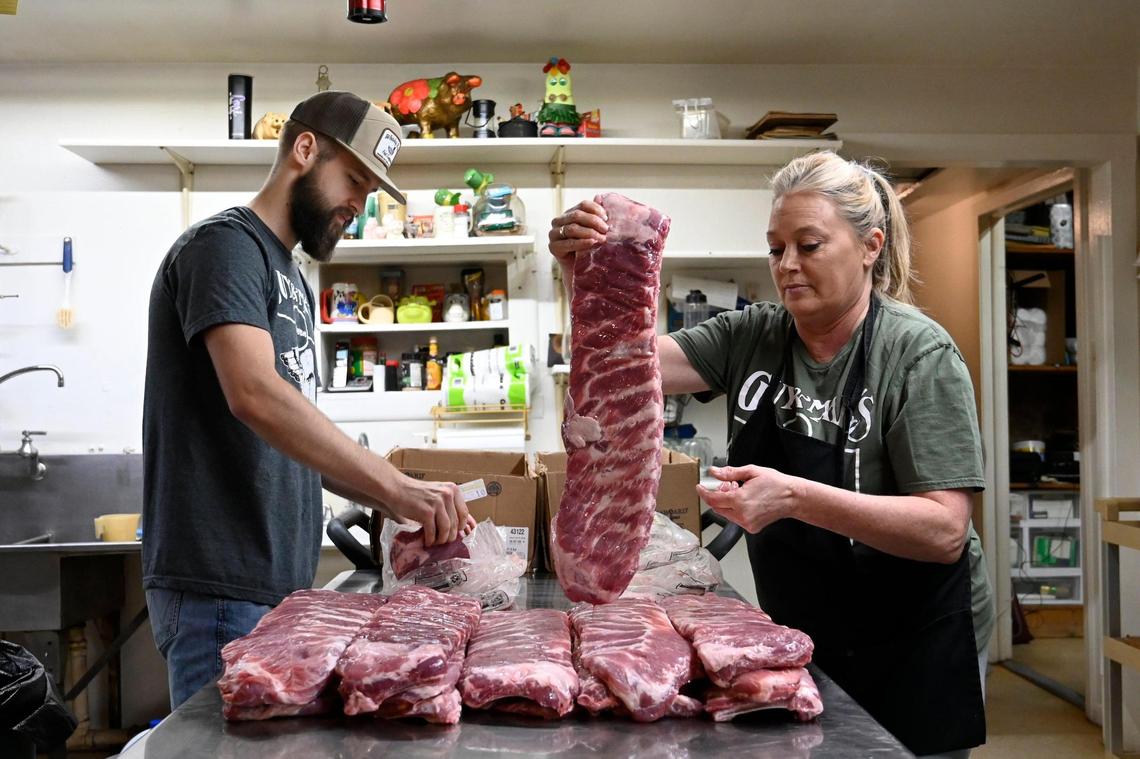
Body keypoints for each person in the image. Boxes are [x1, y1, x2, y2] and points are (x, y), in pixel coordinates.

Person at [549, 152, 994, 758]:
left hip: (910, 634)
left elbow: (944, 530)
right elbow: (623, 363)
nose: (787, 265)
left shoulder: (918, 354)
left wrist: (793, 497)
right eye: (775, 248)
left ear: (871, 246)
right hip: (803, 623)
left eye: (809, 246)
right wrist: (585, 272)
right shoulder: (753, 333)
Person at [142, 91, 472, 710]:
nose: (359, 204)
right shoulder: (225, 247)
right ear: (304, 149)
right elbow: (255, 394)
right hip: (220, 583)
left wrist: (393, 499)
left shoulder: (288, 273)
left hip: (272, 584)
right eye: (354, 180)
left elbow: (293, 436)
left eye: (370, 190)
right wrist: (396, 486)